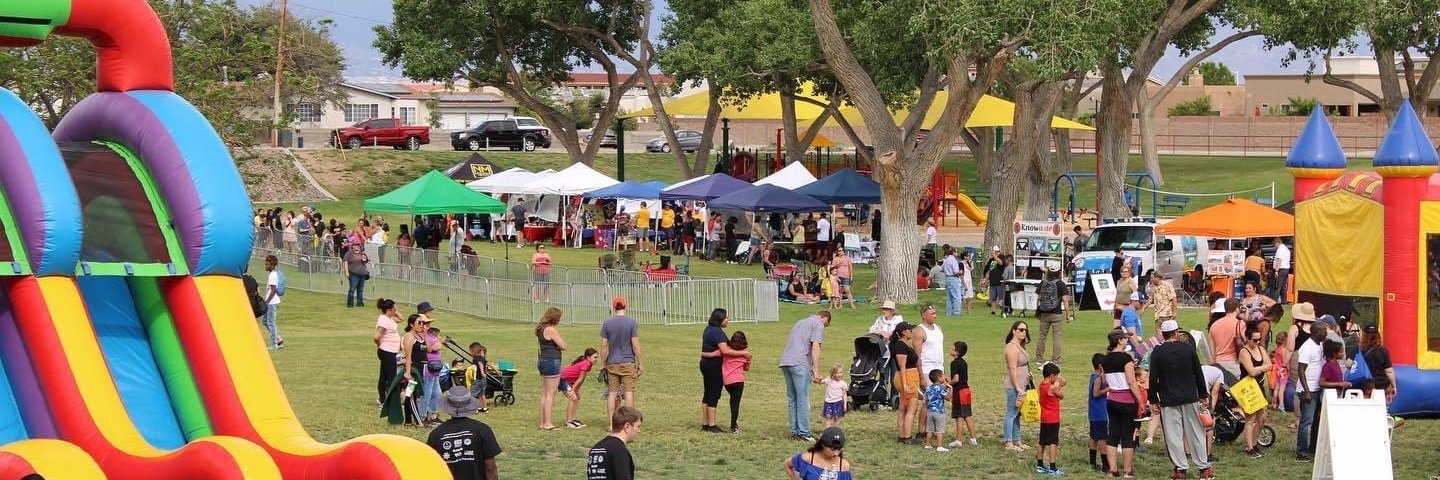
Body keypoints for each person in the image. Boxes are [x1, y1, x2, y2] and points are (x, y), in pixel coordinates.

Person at [1148, 320, 1214, 479]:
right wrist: (1203, 394)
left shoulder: (1157, 352)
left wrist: (1153, 399)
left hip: (1168, 398)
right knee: (1196, 432)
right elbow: (1198, 373)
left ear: (1163, 334)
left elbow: (1153, 377)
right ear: (1176, 333)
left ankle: (1180, 468)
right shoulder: (1188, 349)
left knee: (1173, 435)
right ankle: (1204, 468)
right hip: (1189, 396)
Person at [428, 386, 502, 480]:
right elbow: (490, 467)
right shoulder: (483, 430)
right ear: (469, 405)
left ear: (448, 406)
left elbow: (432, 468)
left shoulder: (435, 435)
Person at [780, 311, 831, 442]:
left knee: (792, 398)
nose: (824, 327)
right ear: (824, 318)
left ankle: (794, 431)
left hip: (786, 361)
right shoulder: (818, 324)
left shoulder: (800, 322)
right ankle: (804, 432)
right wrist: (816, 371)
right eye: (826, 324)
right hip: (800, 363)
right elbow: (815, 347)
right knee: (802, 398)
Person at [699, 308, 750, 433]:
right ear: (720, 318)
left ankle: (705, 423)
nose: (728, 320)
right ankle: (712, 425)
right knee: (714, 394)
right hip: (713, 366)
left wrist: (706, 354)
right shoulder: (717, 332)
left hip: (705, 364)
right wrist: (744, 354)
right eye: (726, 317)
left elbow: (724, 348)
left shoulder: (708, 329)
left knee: (707, 393)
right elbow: (725, 351)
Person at [1102, 329, 1144, 478]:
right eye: (1125, 338)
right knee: (1127, 436)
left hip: (1111, 399)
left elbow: (1105, 380)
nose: (1127, 340)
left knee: (1113, 435)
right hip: (1126, 401)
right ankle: (1127, 470)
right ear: (1120, 341)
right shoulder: (1126, 358)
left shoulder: (1105, 359)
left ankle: (1112, 469)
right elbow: (1131, 382)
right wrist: (1140, 401)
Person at [600, 297, 642, 429]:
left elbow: (604, 346)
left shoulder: (607, 323)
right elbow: (635, 345)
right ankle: (628, 423)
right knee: (629, 392)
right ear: (626, 306)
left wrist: (603, 363)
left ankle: (612, 424)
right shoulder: (631, 323)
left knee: (612, 393)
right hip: (628, 361)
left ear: (613, 307)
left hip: (612, 362)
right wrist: (640, 362)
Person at [1293, 323, 1326, 461]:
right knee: (1307, 421)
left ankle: (1312, 448)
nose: (1325, 332)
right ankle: (1301, 452)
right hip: (1308, 389)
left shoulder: (1321, 345)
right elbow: (1301, 370)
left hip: (1318, 388)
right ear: (1315, 332)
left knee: (1317, 420)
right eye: (1323, 330)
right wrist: (1306, 391)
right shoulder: (1307, 347)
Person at [1239, 327, 1272, 458]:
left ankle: (1254, 443)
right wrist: (1262, 368)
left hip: (1259, 386)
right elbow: (1251, 372)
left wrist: (1258, 368)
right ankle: (1249, 448)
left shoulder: (1261, 349)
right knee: (1250, 418)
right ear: (1247, 339)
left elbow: (1269, 365)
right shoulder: (1244, 352)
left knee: (1262, 418)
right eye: (1255, 340)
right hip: (1248, 388)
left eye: (1259, 339)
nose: (1258, 342)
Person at [587, 406, 642, 480]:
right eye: (638, 426)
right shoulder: (619, 450)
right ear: (627, 426)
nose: (639, 431)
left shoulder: (596, 448)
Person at [535, 307, 567, 431]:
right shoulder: (551, 329)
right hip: (552, 361)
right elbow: (563, 345)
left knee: (545, 392)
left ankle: (543, 422)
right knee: (551, 393)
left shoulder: (541, 329)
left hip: (543, 360)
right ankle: (548, 423)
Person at [1003, 320, 1032, 451]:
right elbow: (1012, 369)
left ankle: (1017, 439)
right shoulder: (1012, 347)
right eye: (1021, 330)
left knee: (1017, 414)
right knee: (1011, 413)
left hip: (1023, 384)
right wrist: (1018, 387)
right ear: (1014, 331)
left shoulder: (1020, 346)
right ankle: (1009, 441)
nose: (1024, 332)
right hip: (1014, 386)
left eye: (1025, 330)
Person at [891, 322, 921, 444]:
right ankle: (907, 437)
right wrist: (905, 385)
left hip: (907, 377)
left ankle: (902, 436)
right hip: (908, 377)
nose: (912, 332)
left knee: (903, 407)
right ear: (904, 332)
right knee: (911, 409)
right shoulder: (901, 346)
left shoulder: (903, 344)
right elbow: (902, 366)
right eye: (910, 330)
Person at [783, 427, 853, 480]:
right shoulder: (808, 458)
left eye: (839, 449)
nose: (836, 453)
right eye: (832, 450)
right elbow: (787, 464)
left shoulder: (843, 465)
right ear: (823, 445)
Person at [1034, 267, 1071, 364]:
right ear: (1058, 273)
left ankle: (1039, 358)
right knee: (1056, 337)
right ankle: (1056, 359)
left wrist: (1038, 311)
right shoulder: (1060, 284)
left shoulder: (1043, 283)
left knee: (1042, 336)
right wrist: (1068, 315)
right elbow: (1065, 300)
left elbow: (1038, 298)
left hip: (1044, 313)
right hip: (1057, 314)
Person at [1036, 362, 1066, 475]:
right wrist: (1058, 384)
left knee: (1042, 442)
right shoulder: (1052, 387)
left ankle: (1040, 465)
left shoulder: (1042, 384)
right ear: (1052, 375)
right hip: (1053, 419)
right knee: (1053, 442)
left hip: (1044, 418)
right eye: (1056, 376)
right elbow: (1061, 396)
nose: (1058, 377)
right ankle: (1052, 467)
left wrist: (1057, 384)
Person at [947, 341, 977, 448]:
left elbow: (956, 379)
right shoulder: (963, 362)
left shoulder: (954, 363)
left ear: (957, 352)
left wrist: (948, 384)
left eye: (953, 348)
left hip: (959, 392)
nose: (950, 349)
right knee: (967, 415)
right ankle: (973, 439)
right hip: (966, 390)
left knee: (958, 416)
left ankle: (958, 440)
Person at [1359, 324, 1398, 404]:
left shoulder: (1359, 350)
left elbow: (1348, 364)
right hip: (1380, 385)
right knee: (1380, 406)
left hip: (1365, 384)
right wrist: (1394, 386)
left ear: (1364, 336)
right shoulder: (1383, 351)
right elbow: (1389, 371)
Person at [560, 348, 598, 429]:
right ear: (588, 357)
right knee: (573, 398)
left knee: (576, 398)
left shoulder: (588, 364)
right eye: (595, 357)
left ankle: (573, 419)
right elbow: (580, 378)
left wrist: (576, 390)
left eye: (597, 357)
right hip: (562, 379)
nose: (596, 359)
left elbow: (582, 379)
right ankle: (569, 422)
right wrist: (573, 390)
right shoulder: (586, 363)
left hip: (568, 381)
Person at [374, 298, 403, 406]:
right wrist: (379, 345)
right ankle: (388, 401)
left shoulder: (390, 318)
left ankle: (383, 399)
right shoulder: (384, 321)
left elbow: (401, 318)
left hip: (390, 351)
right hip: (386, 351)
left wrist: (395, 311)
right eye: (394, 308)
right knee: (391, 377)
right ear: (389, 310)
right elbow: (376, 337)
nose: (396, 310)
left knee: (384, 376)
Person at [722, 331, 752, 434]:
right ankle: (733, 426)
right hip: (738, 380)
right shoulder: (746, 353)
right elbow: (746, 368)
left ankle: (734, 424)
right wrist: (747, 362)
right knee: (735, 403)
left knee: (732, 401)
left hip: (727, 381)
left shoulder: (727, 351)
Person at [1208, 298, 1244, 379]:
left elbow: (1212, 349)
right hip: (1233, 362)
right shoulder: (1240, 324)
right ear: (1237, 309)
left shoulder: (1214, 325)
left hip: (1218, 363)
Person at [1088, 353, 1111, 473]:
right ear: (1101, 366)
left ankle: (1092, 463)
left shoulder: (1094, 376)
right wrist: (1108, 389)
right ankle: (1105, 465)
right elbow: (1096, 394)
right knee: (1102, 439)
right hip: (1099, 413)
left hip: (1093, 413)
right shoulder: (1097, 379)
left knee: (1094, 437)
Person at [913, 305, 945, 387]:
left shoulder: (939, 328)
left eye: (935, 313)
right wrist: (921, 377)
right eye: (932, 314)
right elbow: (917, 355)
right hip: (927, 370)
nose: (935, 316)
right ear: (924, 316)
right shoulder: (919, 331)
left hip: (939, 369)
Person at [923, 369, 952, 452]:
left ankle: (927, 445)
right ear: (939, 378)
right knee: (940, 430)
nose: (944, 377)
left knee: (929, 430)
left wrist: (928, 407)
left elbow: (926, 400)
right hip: (939, 412)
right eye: (943, 376)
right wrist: (951, 389)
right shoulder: (940, 389)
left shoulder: (928, 388)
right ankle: (940, 446)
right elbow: (948, 398)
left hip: (930, 412)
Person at [263, 255, 285, 350]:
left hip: (272, 302)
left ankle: (274, 344)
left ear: (272, 265)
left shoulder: (272, 275)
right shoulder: (272, 274)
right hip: (271, 302)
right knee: (265, 321)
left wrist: (267, 302)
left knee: (271, 323)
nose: (265, 266)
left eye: (267, 265)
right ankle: (278, 338)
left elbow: (273, 290)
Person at [343, 241, 370, 308]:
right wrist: (346, 272)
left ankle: (360, 303)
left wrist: (368, 257)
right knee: (352, 289)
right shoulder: (349, 253)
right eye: (355, 245)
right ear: (353, 246)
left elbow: (366, 261)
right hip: (353, 274)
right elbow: (345, 262)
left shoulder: (362, 253)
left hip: (362, 274)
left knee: (360, 290)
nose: (356, 246)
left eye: (358, 245)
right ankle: (350, 304)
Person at [821, 364, 848, 429]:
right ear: (833, 373)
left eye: (840, 372)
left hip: (838, 403)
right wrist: (817, 379)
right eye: (837, 373)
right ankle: (827, 431)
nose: (839, 374)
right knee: (828, 418)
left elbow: (844, 394)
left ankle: (836, 431)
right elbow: (821, 382)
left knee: (837, 418)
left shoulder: (843, 384)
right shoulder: (829, 380)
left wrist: (845, 404)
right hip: (828, 402)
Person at [942, 246, 963, 316]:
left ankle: (948, 313)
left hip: (947, 278)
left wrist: (947, 271)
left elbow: (942, 269)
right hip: (953, 278)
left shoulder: (946, 259)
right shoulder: (953, 260)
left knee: (949, 297)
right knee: (957, 296)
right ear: (953, 253)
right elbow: (955, 272)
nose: (957, 253)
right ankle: (956, 312)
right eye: (956, 252)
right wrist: (960, 272)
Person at [987, 247, 1008, 316]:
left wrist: (994, 256)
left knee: (1001, 297)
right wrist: (986, 279)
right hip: (992, 281)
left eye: (994, 251)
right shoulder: (992, 259)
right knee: (993, 297)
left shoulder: (1002, 257)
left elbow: (1000, 263)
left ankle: (1003, 310)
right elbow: (990, 269)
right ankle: (993, 311)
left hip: (999, 281)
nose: (993, 252)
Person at [1273, 238, 1291, 304]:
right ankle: (1284, 301)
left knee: (1277, 286)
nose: (1274, 246)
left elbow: (1279, 260)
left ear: (1277, 243)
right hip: (1286, 269)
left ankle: (1275, 302)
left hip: (1281, 269)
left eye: (1274, 244)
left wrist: (1276, 270)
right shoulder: (1287, 249)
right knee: (1283, 286)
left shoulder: (1280, 249)